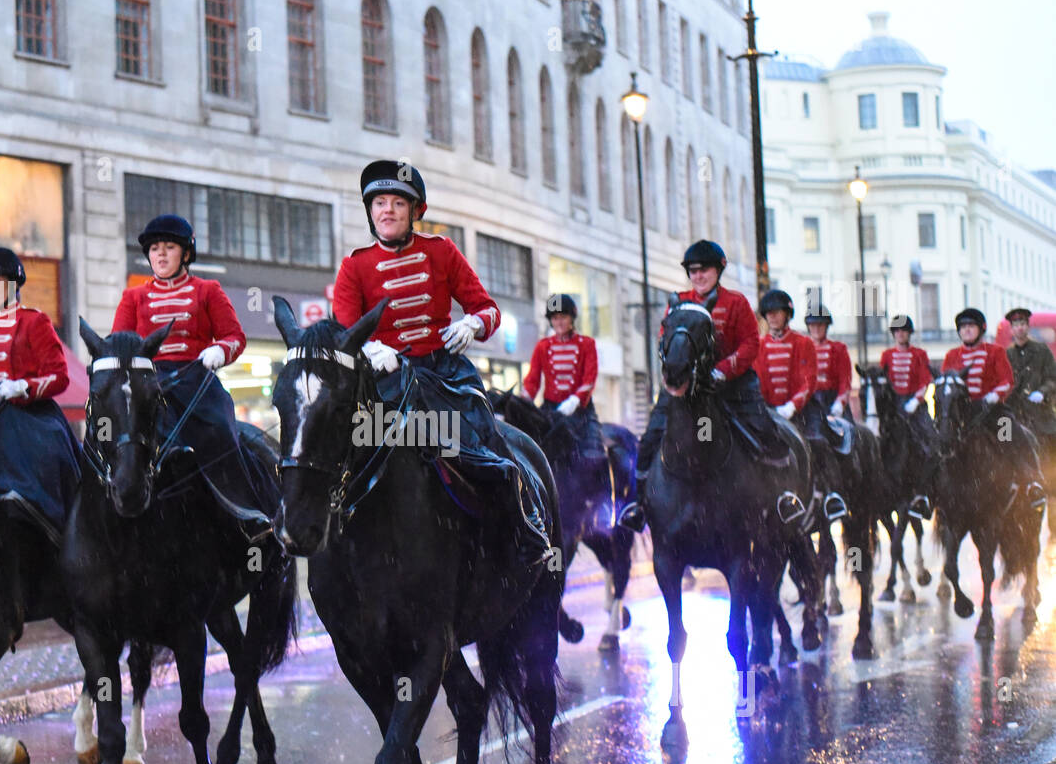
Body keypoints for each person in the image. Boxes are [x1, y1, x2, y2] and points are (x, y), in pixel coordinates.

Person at [332, 159, 552, 565]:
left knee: (486, 441)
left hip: (444, 374)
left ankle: (525, 524)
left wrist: (472, 323)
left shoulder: (442, 251)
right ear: (370, 211)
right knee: (341, 449)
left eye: (398, 203)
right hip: (385, 383)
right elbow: (343, 333)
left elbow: (488, 310)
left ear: (416, 211)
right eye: (379, 202)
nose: (387, 210)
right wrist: (366, 348)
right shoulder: (354, 266)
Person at [112, 214, 273, 542]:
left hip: (196, 381)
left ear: (185, 253)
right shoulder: (133, 298)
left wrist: (219, 351)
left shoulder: (207, 290)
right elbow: (120, 343)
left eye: (169, 247)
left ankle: (245, 510)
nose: (160, 255)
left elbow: (234, 336)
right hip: (150, 385)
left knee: (221, 432)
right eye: (155, 249)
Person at [621, 240, 796, 531]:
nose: (698, 276)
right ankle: (639, 504)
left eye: (704, 271)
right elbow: (665, 339)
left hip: (732, 384)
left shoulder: (737, 302)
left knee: (766, 433)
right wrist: (674, 372)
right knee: (650, 437)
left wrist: (724, 370)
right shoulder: (678, 302)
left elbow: (751, 343)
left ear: (718, 271)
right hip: (687, 389)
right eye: (693, 271)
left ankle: (783, 498)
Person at [0, 247, 80, 543]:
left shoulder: (34, 321)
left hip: (30, 414)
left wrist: (24, 387)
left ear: (13, 285)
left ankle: (42, 509)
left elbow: (60, 377)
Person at [939, 308, 1045, 512]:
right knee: (940, 440)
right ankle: (927, 494)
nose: (966, 331)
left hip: (993, 412)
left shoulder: (995, 351)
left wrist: (995, 395)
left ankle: (1031, 482)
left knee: (1012, 434)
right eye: (963, 328)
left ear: (981, 329)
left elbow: (1007, 380)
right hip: (962, 414)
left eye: (971, 327)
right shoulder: (952, 355)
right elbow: (946, 383)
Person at [754, 290, 845, 522]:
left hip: (802, 409)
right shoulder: (760, 346)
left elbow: (808, 381)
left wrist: (792, 406)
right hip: (770, 410)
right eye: (769, 314)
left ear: (787, 315)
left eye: (778, 313)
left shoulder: (803, 343)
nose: (773, 318)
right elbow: (758, 380)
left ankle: (829, 495)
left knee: (819, 441)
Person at [523, 293, 605, 462]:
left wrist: (574, 401)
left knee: (595, 452)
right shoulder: (542, 346)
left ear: (571, 318)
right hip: (550, 410)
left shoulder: (587, 344)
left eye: (563, 317)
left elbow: (589, 378)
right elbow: (532, 380)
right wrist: (523, 401)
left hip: (580, 411)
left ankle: (602, 486)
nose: (558, 322)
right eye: (555, 318)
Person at [879, 314, 938, 521]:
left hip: (916, 409)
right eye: (897, 331)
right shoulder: (886, 355)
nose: (900, 334)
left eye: (904, 331)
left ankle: (926, 492)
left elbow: (925, 381)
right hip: (895, 410)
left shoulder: (919, 354)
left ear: (909, 334)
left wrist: (916, 400)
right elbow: (884, 383)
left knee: (931, 444)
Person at [1003, 307, 1056, 480]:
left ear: (1028, 327)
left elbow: (1052, 378)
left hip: (1039, 412)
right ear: (1011, 329)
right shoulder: (1006, 355)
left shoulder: (1042, 351)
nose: (1020, 328)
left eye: (1023, 324)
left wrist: (1042, 392)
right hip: (1014, 414)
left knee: (1051, 444)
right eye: (1016, 325)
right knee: (1001, 442)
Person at [805, 304, 854, 424]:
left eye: (820, 325)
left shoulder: (839, 349)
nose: (816, 329)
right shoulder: (802, 349)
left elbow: (845, 380)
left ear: (826, 326)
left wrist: (839, 403)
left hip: (832, 400)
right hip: (808, 402)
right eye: (813, 325)